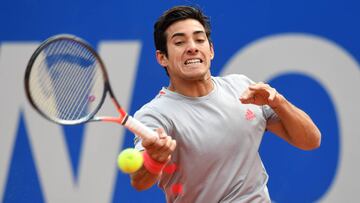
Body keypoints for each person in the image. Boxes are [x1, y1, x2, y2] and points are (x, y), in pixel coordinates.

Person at [129, 5, 321, 203]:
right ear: (162, 58)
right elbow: (139, 182)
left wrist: (279, 102)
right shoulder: (154, 114)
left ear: (210, 50)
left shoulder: (242, 87)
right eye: (179, 42)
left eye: (199, 39)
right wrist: (155, 159)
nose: (192, 47)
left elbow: (311, 141)